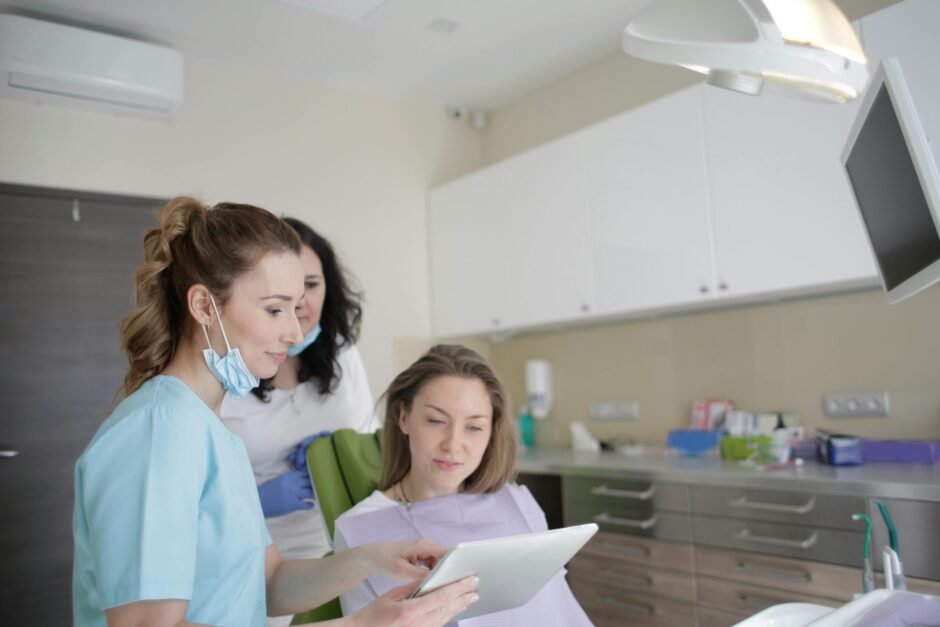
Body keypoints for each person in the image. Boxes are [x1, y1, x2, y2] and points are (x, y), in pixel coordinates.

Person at [72, 198, 478, 627]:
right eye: (274, 309)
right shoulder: (159, 431)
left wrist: (374, 558)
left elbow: (268, 583)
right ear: (205, 307)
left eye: (296, 306)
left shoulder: (212, 431)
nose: (295, 330)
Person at [333, 344, 591, 625]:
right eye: (436, 420)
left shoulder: (518, 502)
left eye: (474, 427)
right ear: (404, 417)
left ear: (492, 432)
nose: (453, 444)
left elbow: (560, 610)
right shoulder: (361, 529)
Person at [221, 218, 377, 601]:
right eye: (284, 293)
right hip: (256, 557)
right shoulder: (229, 370)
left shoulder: (342, 353)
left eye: (310, 285)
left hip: (342, 545)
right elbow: (200, 494)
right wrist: (257, 499)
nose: (300, 303)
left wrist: (342, 448)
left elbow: (370, 439)